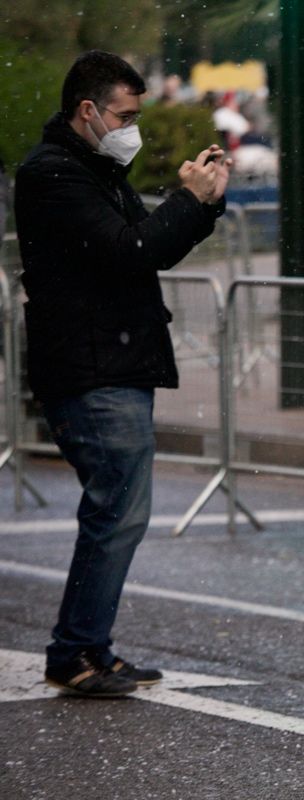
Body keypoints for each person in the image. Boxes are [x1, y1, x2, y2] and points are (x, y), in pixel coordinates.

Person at [14, 50, 231, 697]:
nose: (132, 127)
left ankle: (89, 648)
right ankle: (75, 651)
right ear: (88, 110)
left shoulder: (95, 168)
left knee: (117, 513)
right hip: (90, 368)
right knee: (116, 513)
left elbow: (147, 245)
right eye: (125, 115)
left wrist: (202, 204)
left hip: (112, 361)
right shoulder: (53, 173)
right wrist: (188, 201)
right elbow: (131, 250)